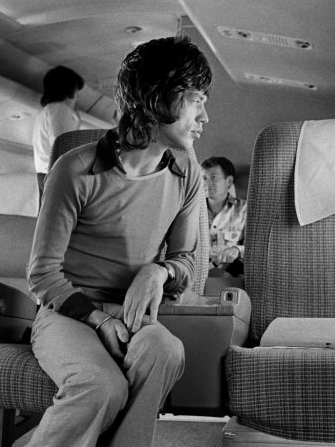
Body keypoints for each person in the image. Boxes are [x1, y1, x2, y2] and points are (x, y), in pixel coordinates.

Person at [26, 34, 212, 447]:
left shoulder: (187, 175)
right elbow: (42, 275)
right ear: (161, 98)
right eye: (196, 100)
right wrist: (99, 320)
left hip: (134, 318)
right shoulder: (75, 169)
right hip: (68, 315)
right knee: (100, 385)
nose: (204, 116)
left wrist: (158, 271)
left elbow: (186, 261)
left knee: (166, 349)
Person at [32, 65, 84, 200]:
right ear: (69, 91)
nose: (77, 99)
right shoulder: (60, 110)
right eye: (76, 93)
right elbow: (62, 146)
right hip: (57, 176)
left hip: (45, 175)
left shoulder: (45, 112)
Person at [201, 156, 247, 277]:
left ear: (229, 181)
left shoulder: (245, 210)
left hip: (230, 273)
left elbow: (256, 248)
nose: (206, 183)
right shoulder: (193, 210)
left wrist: (237, 250)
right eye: (204, 178)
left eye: (213, 177)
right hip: (196, 272)